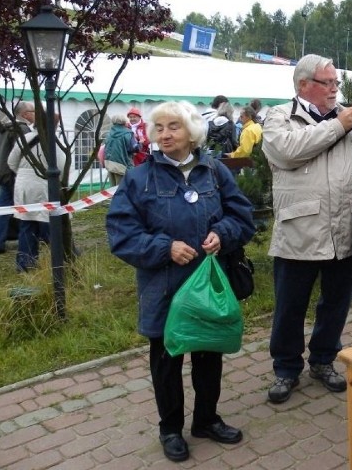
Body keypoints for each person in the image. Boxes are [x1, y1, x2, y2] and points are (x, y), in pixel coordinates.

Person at [106, 101, 255, 463]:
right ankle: (170, 428)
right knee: (167, 361)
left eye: (174, 126)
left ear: (192, 133)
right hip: (164, 289)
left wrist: (222, 234)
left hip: (207, 287)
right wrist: (164, 247)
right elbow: (121, 234)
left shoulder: (215, 172)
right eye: (159, 127)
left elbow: (243, 217)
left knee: (208, 354)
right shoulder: (139, 178)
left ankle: (206, 420)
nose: (165, 134)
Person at [261, 54, 352, 404]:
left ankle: (323, 360)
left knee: (336, 304)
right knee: (290, 306)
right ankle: (286, 369)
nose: (334, 89)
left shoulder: (351, 120)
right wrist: (338, 126)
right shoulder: (279, 117)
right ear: (304, 85)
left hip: (344, 227)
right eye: (327, 83)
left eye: (336, 83)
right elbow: (287, 152)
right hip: (298, 230)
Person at [7, 114, 66, 273]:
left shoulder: (24, 138)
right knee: (49, 224)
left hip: (24, 184)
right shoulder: (56, 143)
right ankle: (58, 260)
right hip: (45, 185)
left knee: (27, 224)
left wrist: (24, 174)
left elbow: (12, 162)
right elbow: (62, 167)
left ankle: (25, 263)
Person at [0, 101, 35, 255]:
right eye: (32, 111)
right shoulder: (21, 130)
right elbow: (23, 155)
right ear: (25, 114)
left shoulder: (5, 128)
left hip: (2, 174)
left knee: (2, 210)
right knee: (25, 210)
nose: (34, 114)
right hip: (13, 175)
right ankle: (29, 241)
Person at [103, 114, 138, 186]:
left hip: (110, 163)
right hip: (122, 165)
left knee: (112, 190)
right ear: (124, 122)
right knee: (122, 189)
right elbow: (134, 148)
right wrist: (140, 143)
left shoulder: (109, 133)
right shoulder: (128, 133)